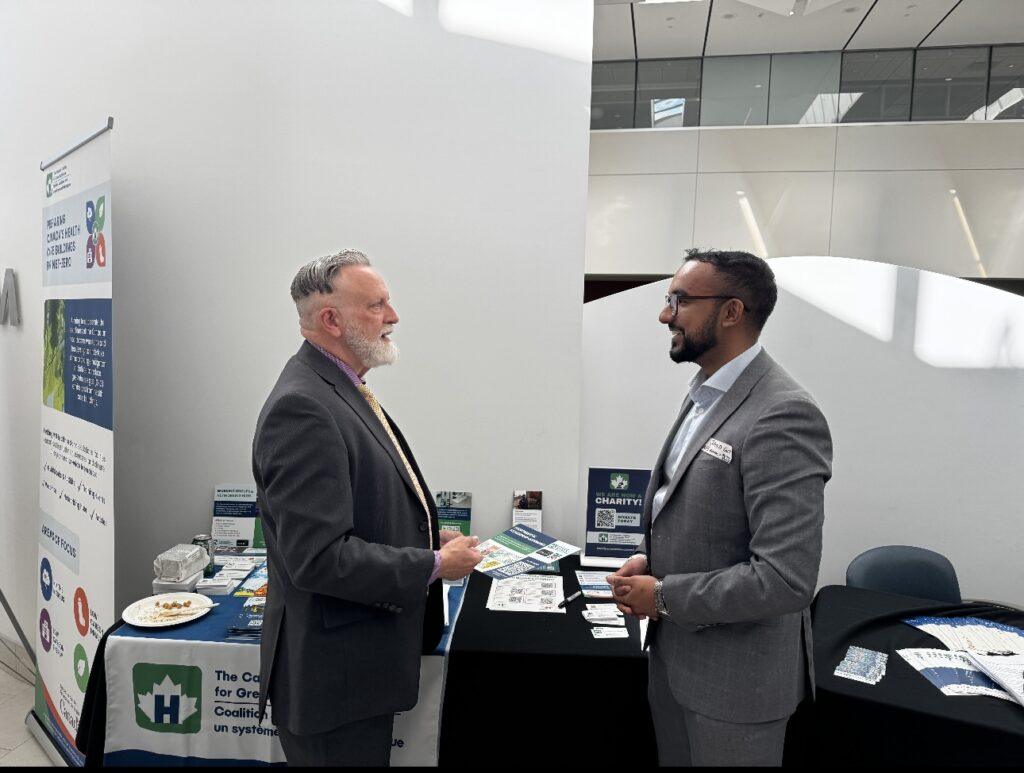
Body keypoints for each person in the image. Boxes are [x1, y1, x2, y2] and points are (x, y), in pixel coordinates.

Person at [252, 249, 482, 766]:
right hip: (334, 682)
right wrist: (433, 564)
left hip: (353, 670)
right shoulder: (303, 407)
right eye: (377, 306)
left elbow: (357, 505)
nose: (393, 317)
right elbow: (319, 558)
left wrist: (425, 537)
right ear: (332, 320)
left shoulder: (338, 387)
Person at [607, 250, 833, 767]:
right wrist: (648, 557)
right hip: (675, 664)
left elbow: (785, 578)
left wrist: (661, 595)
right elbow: (689, 508)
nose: (665, 315)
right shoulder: (705, 394)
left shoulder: (784, 414)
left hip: (736, 687)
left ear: (732, 312)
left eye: (680, 301)